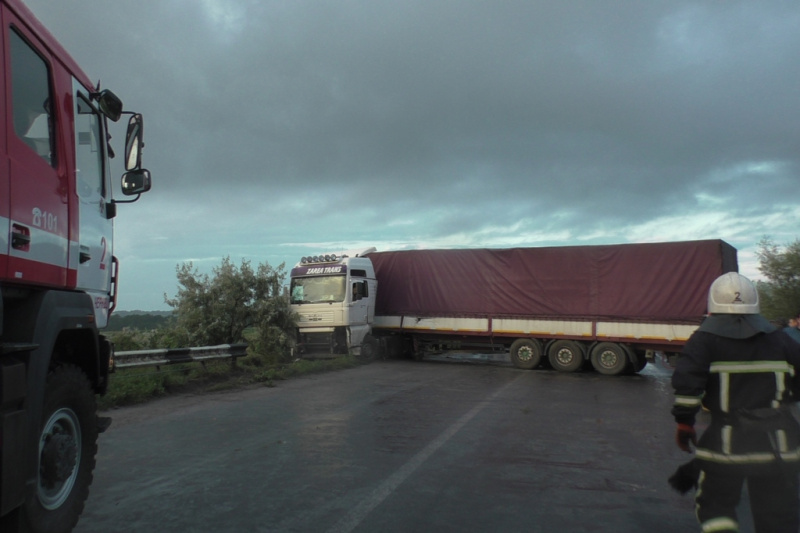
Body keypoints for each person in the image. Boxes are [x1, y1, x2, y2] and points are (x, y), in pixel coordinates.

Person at [671, 272, 800, 532]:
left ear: (712, 305)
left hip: (726, 446)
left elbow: (687, 388)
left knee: (714, 506)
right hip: (781, 447)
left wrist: (685, 424)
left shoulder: (704, 340)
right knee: (779, 517)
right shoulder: (781, 339)